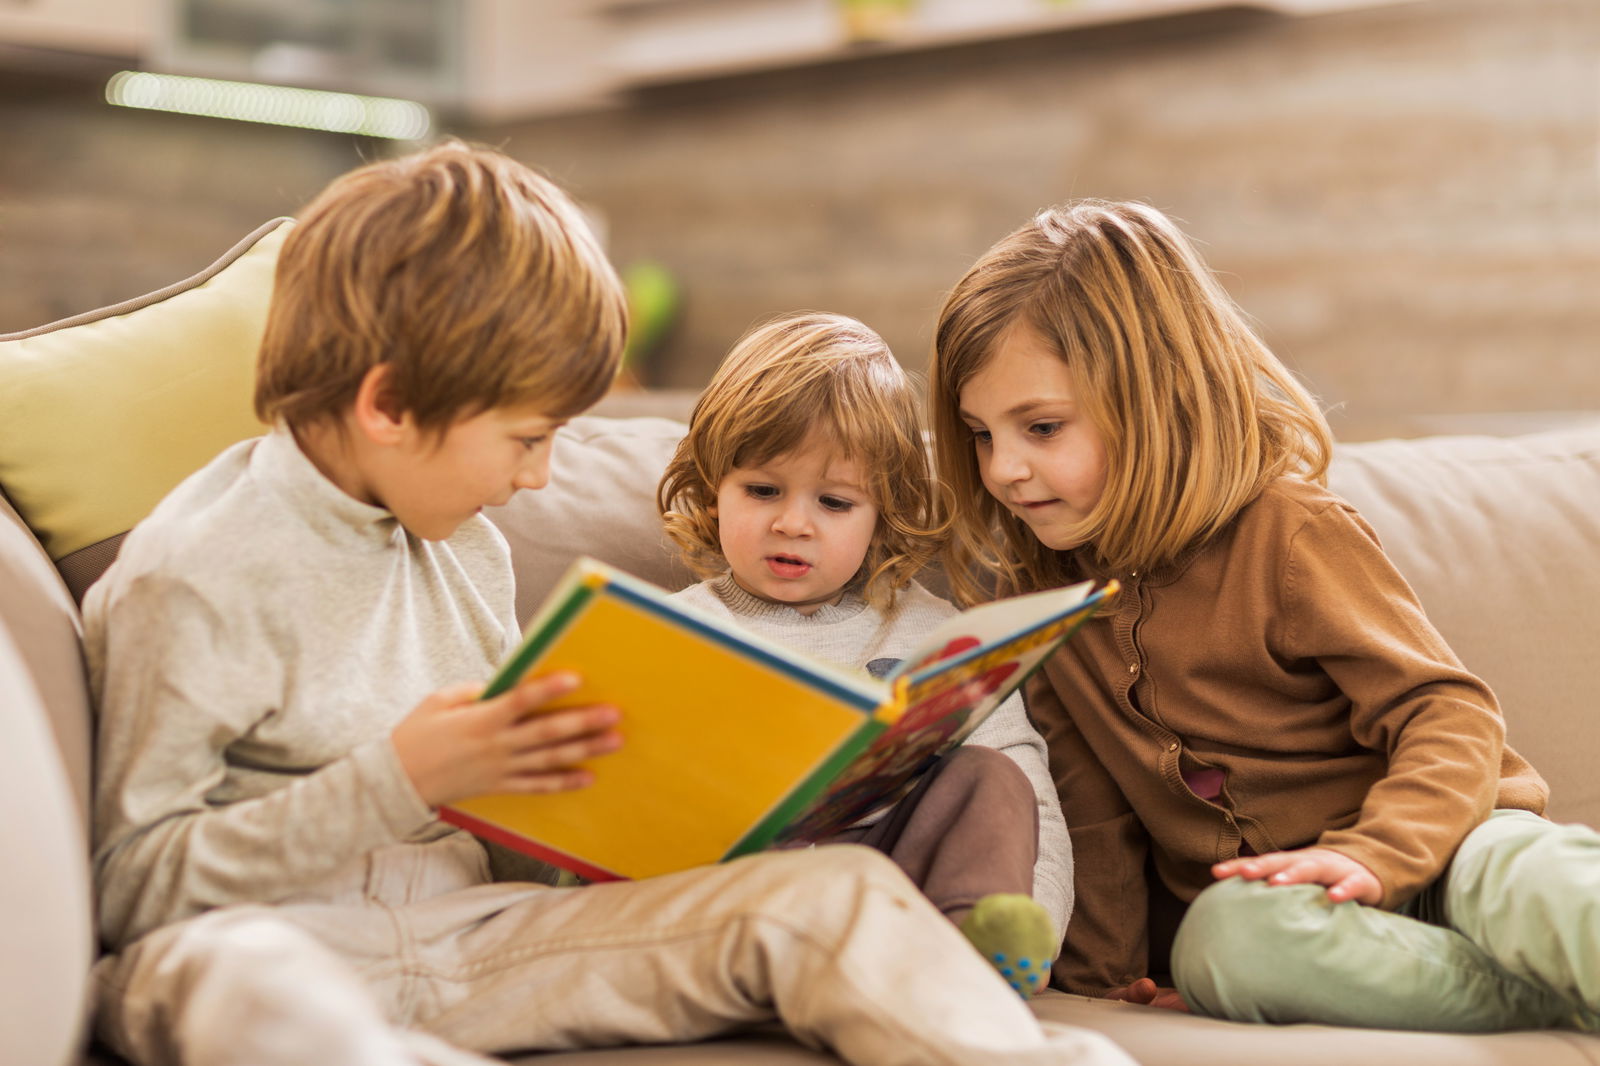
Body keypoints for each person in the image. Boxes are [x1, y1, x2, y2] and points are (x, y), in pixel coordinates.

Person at [83, 146, 1138, 1066]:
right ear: (390, 405)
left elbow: (522, 843)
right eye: (529, 437)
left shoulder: (467, 551)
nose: (541, 477)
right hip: (271, 946)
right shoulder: (194, 573)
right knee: (236, 982)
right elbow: (132, 889)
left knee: (834, 899)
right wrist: (398, 780)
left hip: (487, 937)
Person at [926, 198, 1600, 1031]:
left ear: (1159, 397)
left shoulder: (1286, 533)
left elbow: (1447, 714)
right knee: (1226, 944)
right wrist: (1103, 981)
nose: (1005, 470)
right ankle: (1550, 996)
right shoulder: (1042, 609)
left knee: (1539, 884)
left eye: (1040, 427)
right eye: (980, 435)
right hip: (1295, 917)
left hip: (1454, 850)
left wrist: (1373, 856)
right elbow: (1093, 811)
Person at [656, 311, 1073, 998]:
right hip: (735, 898)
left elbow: (1029, 799)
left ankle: (977, 954)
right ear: (711, 489)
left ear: (884, 511)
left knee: (992, 776)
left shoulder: (933, 634)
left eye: (835, 502)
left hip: (901, 902)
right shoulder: (673, 629)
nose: (793, 522)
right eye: (762, 491)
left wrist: (1038, 928)